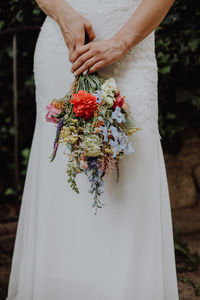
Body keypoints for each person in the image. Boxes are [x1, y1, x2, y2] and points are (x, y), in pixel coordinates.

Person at [6, 0, 180, 299]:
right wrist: (64, 15)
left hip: (129, 48)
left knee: (130, 174)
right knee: (62, 175)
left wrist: (121, 42)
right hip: (65, 47)